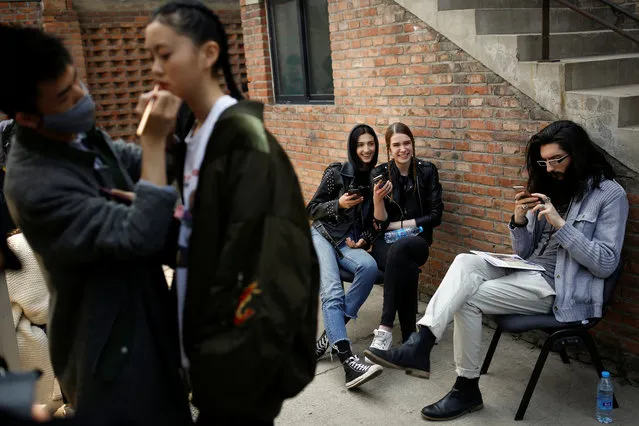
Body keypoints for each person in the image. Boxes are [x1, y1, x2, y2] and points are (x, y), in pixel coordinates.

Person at [364, 120, 629, 421]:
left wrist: (561, 225)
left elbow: (606, 263)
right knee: (465, 261)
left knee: (467, 297)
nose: (551, 168)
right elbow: (524, 252)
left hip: (561, 289)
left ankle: (464, 387)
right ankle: (421, 342)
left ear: (578, 154)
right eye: (544, 162)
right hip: (528, 270)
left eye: (557, 160)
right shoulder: (555, 186)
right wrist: (518, 221)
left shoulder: (610, 195)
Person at [0, 24, 191, 425]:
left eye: (77, 83)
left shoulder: (72, 132)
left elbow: (130, 162)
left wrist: (170, 141)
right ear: (27, 117)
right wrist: (154, 143)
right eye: (65, 95)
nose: (81, 97)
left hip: (148, 315)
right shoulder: (35, 184)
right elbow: (143, 233)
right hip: (108, 355)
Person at [144, 2, 319, 424]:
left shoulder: (244, 142)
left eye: (164, 54)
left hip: (239, 368)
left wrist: (230, 362)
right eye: (149, 56)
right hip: (206, 358)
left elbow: (270, 266)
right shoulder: (194, 136)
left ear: (208, 54)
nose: (154, 68)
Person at [307, 124, 383, 389]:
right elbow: (311, 210)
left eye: (370, 144)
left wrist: (365, 239)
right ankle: (348, 360)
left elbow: (375, 223)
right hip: (322, 235)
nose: (366, 149)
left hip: (347, 242)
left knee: (370, 268)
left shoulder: (377, 177)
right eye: (360, 144)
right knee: (332, 291)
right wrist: (337, 204)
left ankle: (329, 335)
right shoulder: (336, 172)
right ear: (353, 147)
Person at [367, 122, 443, 350]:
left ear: (413, 144)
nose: (403, 149)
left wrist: (399, 224)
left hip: (418, 241)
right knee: (403, 263)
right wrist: (377, 200)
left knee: (402, 252)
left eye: (407, 143)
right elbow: (380, 225)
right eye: (397, 145)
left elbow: (436, 216)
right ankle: (410, 332)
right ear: (389, 149)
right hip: (386, 243)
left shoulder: (427, 171)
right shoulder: (379, 173)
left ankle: (385, 328)